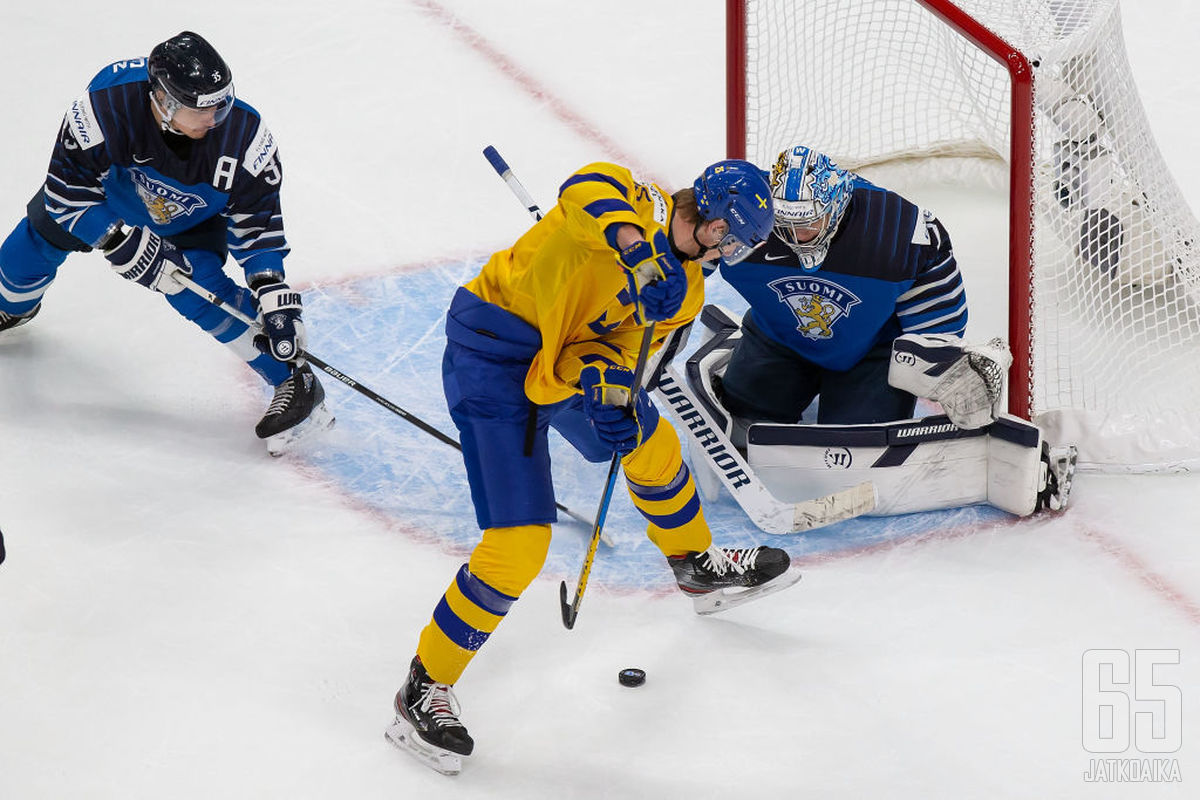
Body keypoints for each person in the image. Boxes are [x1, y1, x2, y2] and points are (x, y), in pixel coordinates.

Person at [385, 159, 795, 775]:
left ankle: (695, 566)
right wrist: (635, 250)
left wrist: (608, 391)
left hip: (561, 366)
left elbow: (620, 350)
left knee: (650, 444)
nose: (734, 252)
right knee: (519, 545)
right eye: (733, 238)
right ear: (707, 221)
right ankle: (423, 688)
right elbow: (583, 192)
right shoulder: (635, 199)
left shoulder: (687, 291)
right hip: (494, 358)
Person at [680, 144, 1074, 520]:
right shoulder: (745, 212)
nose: (795, 236)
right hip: (778, 335)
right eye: (784, 224)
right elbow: (683, 263)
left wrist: (937, 362)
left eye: (808, 223)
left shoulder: (899, 230)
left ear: (835, 206)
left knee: (850, 455)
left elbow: (937, 312)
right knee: (741, 428)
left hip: (872, 352)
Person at [0, 31, 332, 455]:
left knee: (198, 291)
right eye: (204, 108)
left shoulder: (246, 140)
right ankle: (11, 306)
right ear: (164, 101)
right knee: (24, 252)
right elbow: (66, 190)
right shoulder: (106, 105)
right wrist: (115, 238)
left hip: (191, 220)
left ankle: (293, 377)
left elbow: (258, 224)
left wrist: (269, 285)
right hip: (109, 197)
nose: (216, 117)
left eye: (222, 102)